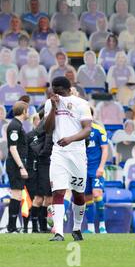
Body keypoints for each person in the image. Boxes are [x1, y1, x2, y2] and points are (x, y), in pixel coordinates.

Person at [44, 76, 93, 241]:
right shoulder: (49, 103)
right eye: (54, 91)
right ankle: (58, 232)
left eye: (60, 91)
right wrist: (53, 108)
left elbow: (87, 129)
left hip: (77, 153)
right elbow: (47, 128)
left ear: (68, 89)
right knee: (58, 191)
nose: (58, 95)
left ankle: (77, 228)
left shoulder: (81, 103)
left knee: (79, 194)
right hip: (58, 152)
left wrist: (70, 138)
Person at [4, 101, 29, 233]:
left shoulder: (18, 125)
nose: (28, 113)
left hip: (17, 164)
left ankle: (12, 226)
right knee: (16, 194)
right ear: (24, 111)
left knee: (18, 195)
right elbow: (13, 148)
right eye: (28, 110)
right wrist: (21, 166)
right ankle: (11, 227)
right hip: (15, 165)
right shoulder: (14, 125)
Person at [27, 110, 53, 233]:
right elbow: (32, 152)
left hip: (48, 167)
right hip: (38, 170)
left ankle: (43, 227)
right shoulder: (31, 136)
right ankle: (35, 227)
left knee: (48, 198)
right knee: (38, 198)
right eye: (37, 120)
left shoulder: (50, 132)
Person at [84, 108, 108, 234]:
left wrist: (101, 167)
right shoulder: (79, 131)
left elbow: (105, 149)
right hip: (83, 169)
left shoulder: (99, 130)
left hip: (96, 168)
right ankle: (91, 228)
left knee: (97, 194)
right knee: (87, 197)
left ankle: (103, 226)